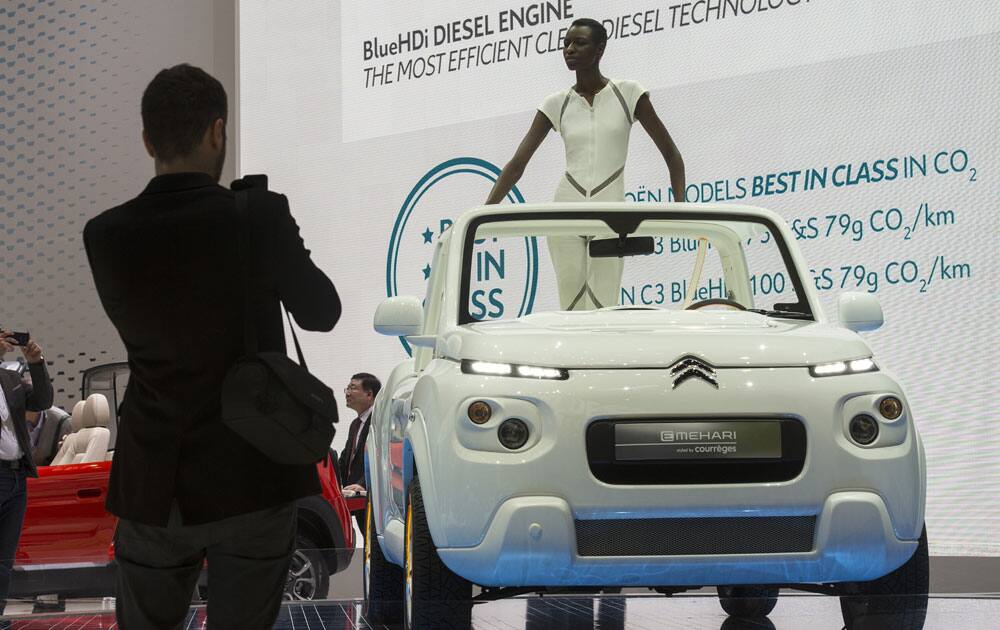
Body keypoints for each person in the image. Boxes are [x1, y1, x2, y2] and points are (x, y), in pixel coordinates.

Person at [83, 64, 341, 629]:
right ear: (218, 132)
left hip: (155, 482)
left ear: (148, 139)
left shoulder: (104, 234)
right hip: (254, 474)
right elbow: (324, 312)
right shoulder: (257, 215)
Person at [486, 17, 686, 310]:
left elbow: (672, 155)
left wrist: (682, 211)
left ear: (600, 48)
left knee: (603, 305)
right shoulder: (557, 103)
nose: (570, 49)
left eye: (579, 43)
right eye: (566, 44)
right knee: (571, 305)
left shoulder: (628, 93)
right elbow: (517, 164)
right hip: (566, 211)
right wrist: (483, 214)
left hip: (612, 212)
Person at [0, 331, 52, 615]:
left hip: (17, 478)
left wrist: (36, 362)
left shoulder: (9, 379)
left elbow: (43, 400)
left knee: (4, 562)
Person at [339, 372, 380, 536]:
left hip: (371, 495)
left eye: (353, 388)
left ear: (369, 394)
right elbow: (345, 460)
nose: (347, 393)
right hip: (355, 496)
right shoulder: (355, 425)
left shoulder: (378, 421)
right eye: (347, 388)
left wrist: (364, 484)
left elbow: (380, 457)